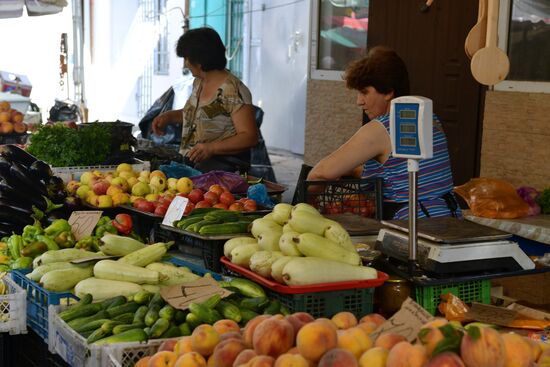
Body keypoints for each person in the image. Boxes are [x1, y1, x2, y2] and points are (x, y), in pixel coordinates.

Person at [306, 46, 460, 220]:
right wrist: (352, 170)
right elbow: (397, 169)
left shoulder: (381, 128)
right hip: (449, 219)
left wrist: (307, 207)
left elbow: (320, 174)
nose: (359, 101)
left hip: (413, 227)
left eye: (364, 92)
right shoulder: (429, 118)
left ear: (388, 91)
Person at [152, 27, 258, 173]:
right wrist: (169, 116)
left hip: (223, 173)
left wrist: (212, 148)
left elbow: (249, 137)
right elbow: (198, 114)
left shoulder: (233, 91)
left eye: (187, 59)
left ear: (200, 61)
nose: (185, 64)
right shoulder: (199, 82)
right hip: (194, 167)